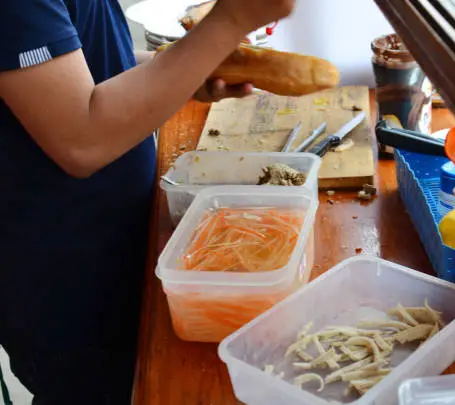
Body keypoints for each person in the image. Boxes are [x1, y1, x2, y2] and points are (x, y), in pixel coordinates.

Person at [0, 0, 295, 404]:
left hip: (120, 253)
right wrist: (233, 19)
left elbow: (89, 67)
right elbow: (81, 138)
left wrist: (186, 66)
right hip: (70, 296)